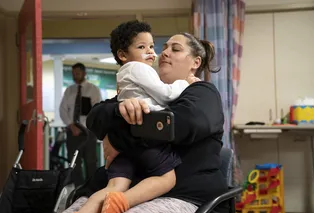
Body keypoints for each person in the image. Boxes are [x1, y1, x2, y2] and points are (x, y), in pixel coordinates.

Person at [65, 31, 228, 213]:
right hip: (121, 187)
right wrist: (119, 109)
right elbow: (96, 117)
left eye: (175, 49)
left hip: (180, 193)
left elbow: (174, 126)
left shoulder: (203, 92)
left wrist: (116, 139)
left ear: (195, 63)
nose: (164, 53)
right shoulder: (142, 92)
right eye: (164, 48)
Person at [59, 62, 102, 187]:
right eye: (73, 73)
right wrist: (71, 125)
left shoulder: (93, 89)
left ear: (84, 73)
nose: (75, 75)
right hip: (72, 131)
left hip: (88, 131)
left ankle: (91, 188)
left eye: (77, 73)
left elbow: (97, 110)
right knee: (74, 162)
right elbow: (62, 110)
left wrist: (86, 127)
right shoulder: (69, 90)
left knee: (90, 161)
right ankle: (77, 189)